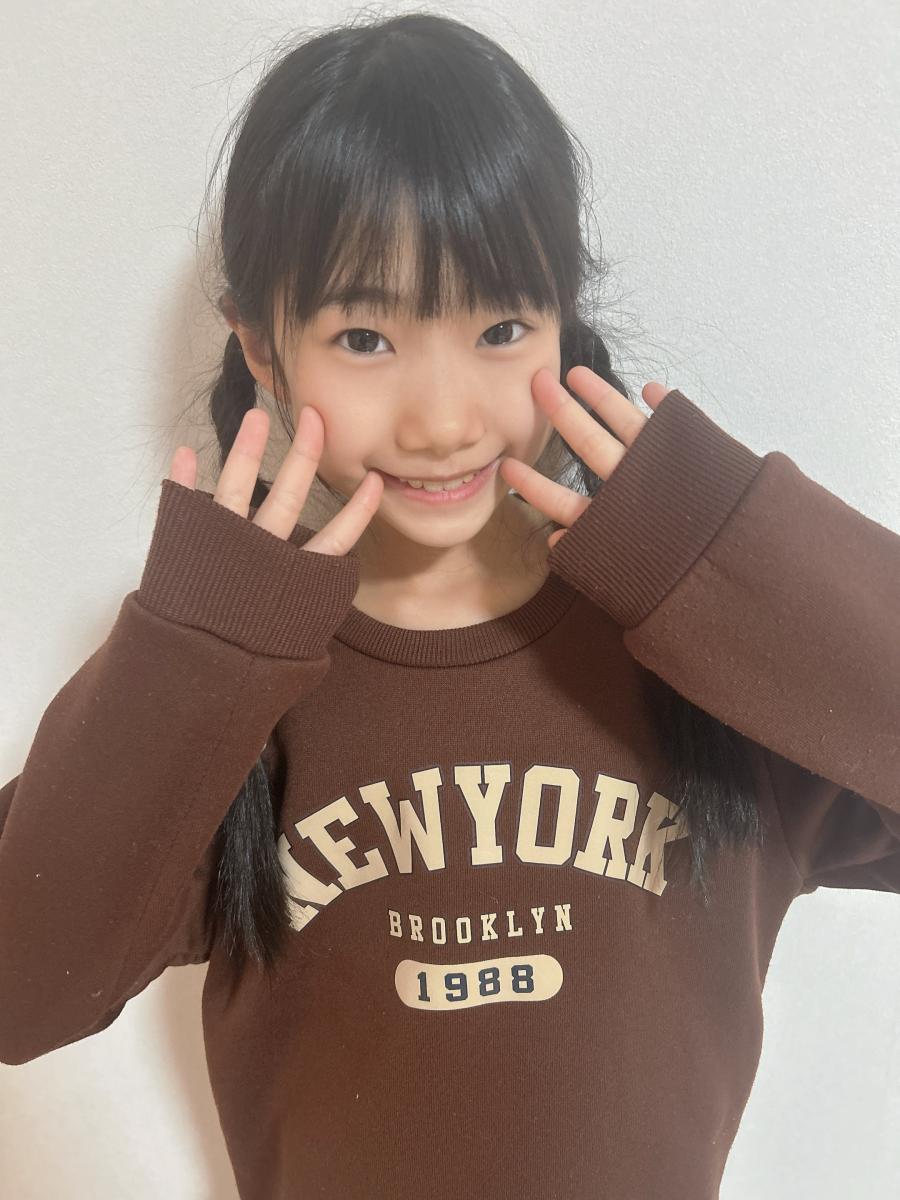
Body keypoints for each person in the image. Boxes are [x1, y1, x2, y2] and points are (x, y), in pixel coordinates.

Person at [1, 11, 897, 1200]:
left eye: (502, 327)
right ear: (261, 349)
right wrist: (198, 644)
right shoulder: (228, 680)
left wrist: (730, 556)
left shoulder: (707, 644)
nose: (443, 419)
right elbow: (19, 990)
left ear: (564, 317)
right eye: (365, 335)